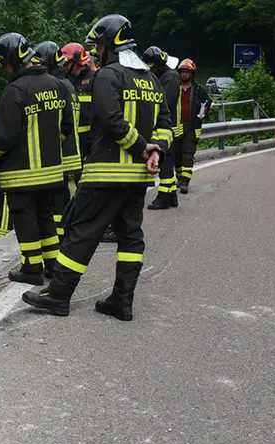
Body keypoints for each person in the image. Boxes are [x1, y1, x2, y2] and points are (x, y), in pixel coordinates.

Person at [22, 14, 173, 321]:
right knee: (130, 235)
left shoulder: (108, 76)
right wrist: (155, 151)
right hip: (138, 178)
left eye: (99, 45)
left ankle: (59, 295)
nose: (96, 51)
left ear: (109, 44)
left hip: (106, 173)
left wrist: (143, 147)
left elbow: (111, 120)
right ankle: (122, 300)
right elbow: (166, 126)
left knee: (82, 230)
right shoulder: (152, 80)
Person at [0, 32, 75, 286]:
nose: (3, 69)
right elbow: (67, 126)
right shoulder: (56, 85)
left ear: (12, 59)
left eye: (3, 63)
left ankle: (31, 268)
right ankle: (53, 265)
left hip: (22, 173)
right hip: (52, 172)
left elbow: (4, 137)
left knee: (25, 220)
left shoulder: (14, 91)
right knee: (46, 218)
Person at [62, 42, 116, 243]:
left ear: (77, 60)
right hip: (75, 144)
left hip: (93, 142)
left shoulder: (95, 79)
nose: (65, 66)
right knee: (78, 186)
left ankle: (109, 225)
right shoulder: (68, 81)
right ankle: (80, 223)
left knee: (99, 186)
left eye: (67, 62)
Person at [32, 41, 81, 246]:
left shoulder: (58, 85)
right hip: (71, 152)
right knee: (65, 199)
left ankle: (64, 240)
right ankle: (66, 236)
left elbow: (61, 125)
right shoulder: (67, 84)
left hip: (63, 154)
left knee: (60, 203)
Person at [142, 46, 182, 210]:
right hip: (167, 126)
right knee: (168, 160)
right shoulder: (165, 75)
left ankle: (164, 197)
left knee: (164, 162)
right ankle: (171, 195)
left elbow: (163, 102)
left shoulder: (170, 77)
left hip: (167, 127)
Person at [176, 58, 212, 193]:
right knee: (177, 153)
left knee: (187, 153)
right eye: (182, 72)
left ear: (192, 74)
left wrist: (203, 112)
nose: (184, 74)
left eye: (187, 72)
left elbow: (208, 102)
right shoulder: (175, 88)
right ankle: (179, 177)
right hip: (177, 126)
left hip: (192, 126)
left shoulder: (197, 90)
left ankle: (185, 181)